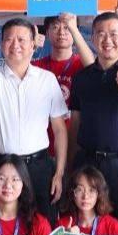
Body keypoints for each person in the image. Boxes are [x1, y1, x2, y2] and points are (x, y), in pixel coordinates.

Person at [0, 18, 68, 220]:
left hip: (38, 167)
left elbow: (59, 129)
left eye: (22, 39)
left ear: (33, 45)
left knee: (42, 224)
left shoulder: (47, 79)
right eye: (9, 39)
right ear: (1, 45)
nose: (15, 44)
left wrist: (59, 173)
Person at [68, 11, 118, 231]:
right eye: (101, 34)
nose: (107, 40)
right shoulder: (81, 78)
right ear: (92, 38)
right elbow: (75, 123)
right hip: (87, 163)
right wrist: (69, 165)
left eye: (114, 34)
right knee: (85, 225)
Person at [32, 12, 95, 154]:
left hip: (76, 145)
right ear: (47, 32)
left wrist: (74, 30)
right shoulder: (36, 66)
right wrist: (30, 47)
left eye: (67, 27)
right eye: (55, 27)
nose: (61, 32)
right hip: (41, 147)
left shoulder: (80, 64)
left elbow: (92, 68)